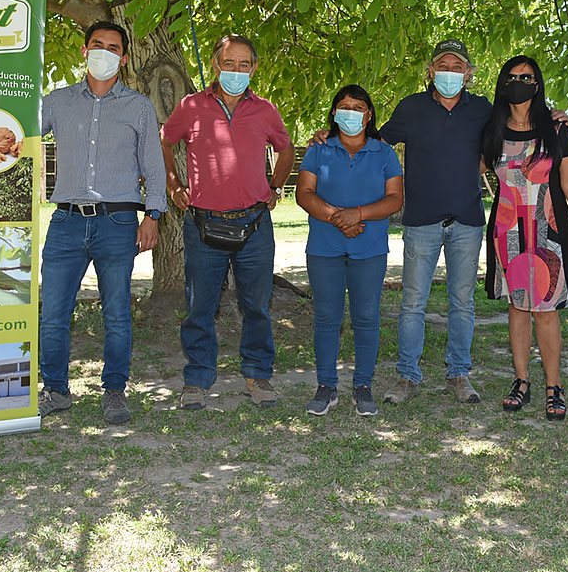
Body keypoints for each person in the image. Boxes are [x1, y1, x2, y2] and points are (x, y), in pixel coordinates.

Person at [38, 21, 166, 425]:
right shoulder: (56, 102)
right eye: (97, 45)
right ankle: (55, 390)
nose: (104, 53)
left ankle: (114, 391)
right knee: (52, 314)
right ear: (84, 51)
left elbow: (154, 167)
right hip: (66, 221)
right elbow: (17, 131)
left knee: (117, 315)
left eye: (113, 48)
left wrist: (153, 215)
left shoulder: (139, 107)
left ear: (123, 59)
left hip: (119, 222)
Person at [160, 34, 296, 411]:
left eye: (243, 65)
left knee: (256, 305)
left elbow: (285, 149)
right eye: (229, 63)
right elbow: (165, 141)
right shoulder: (191, 106)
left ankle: (257, 375)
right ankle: (197, 379)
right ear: (216, 65)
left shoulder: (265, 110)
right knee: (199, 307)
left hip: (254, 224)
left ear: (253, 69)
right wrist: (173, 184)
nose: (236, 71)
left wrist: (276, 186)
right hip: (203, 225)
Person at [377, 39, 492, 405]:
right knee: (413, 303)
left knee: (462, 303)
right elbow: (376, 142)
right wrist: (331, 136)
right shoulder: (411, 107)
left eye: (457, 67)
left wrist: (552, 117)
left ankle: (459, 374)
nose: (449, 72)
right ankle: (407, 377)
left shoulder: (483, 109)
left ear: (469, 73)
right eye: (443, 65)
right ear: (430, 71)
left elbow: (514, 133)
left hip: (467, 221)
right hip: (421, 221)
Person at [482, 56, 568, 421]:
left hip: (550, 230)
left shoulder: (556, 128)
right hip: (508, 231)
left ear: (537, 82)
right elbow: (467, 166)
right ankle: (521, 381)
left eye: (526, 77)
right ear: (502, 84)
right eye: (512, 77)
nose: (519, 83)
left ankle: (553, 386)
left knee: (545, 309)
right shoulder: (491, 130)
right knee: (517, 307)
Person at [296, 85, 404, 417]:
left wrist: (357, 214)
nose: (351, 113)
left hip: (369, 249)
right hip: (324, 248)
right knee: (327, 318)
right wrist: (339, 218)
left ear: (369, 115)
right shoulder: (318, 149)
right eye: (344, 106)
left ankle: (363, 387)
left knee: (367, 318)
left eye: (359, 107)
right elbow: (304, 193)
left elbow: (395, 199)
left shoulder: (384, 153)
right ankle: (326, 387)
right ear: (334, 113)